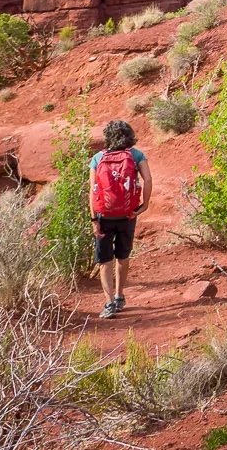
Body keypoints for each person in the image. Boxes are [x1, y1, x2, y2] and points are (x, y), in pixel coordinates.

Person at [88, 119, 152, 319]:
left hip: (104, 215)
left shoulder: (97, 158)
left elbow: (92, 190)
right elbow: (148, 179)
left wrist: (94, 219)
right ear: (129, 135)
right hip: (128, 213)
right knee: (122, 256)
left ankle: (109, 304)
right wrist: (145, 205)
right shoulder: (136, 155)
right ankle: (119, 296)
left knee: (105, 260)